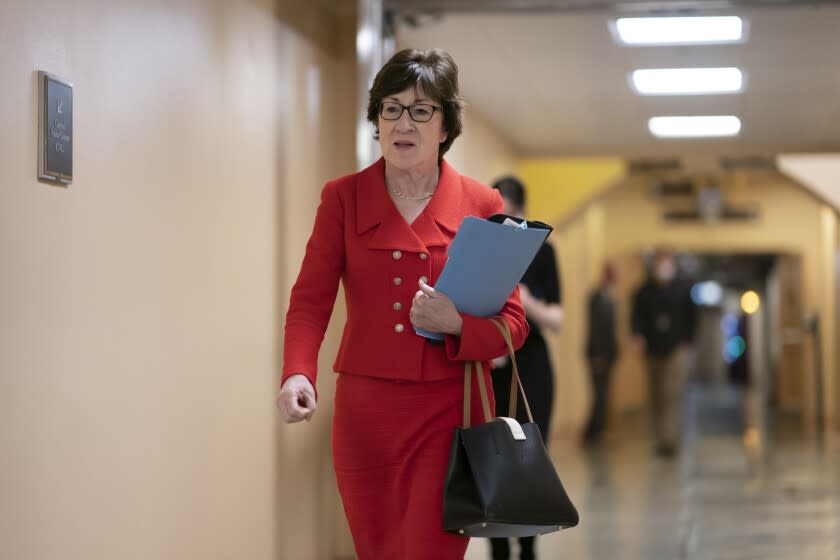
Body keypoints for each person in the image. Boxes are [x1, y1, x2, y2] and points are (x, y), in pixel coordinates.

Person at [275, 49, 529, 560]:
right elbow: (310, 300)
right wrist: (297, 372)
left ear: (445, 125)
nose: (402, 123)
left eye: (420, 110)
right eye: (389, 108)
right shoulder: (342, 198)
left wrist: (457, 323)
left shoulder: (483, 204)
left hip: (447, 417)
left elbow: (513, 324)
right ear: (376, 120)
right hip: (364, 418)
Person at [488, 176, 562, 560]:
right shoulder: (479, 248)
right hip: (489, 365)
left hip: (531, 364)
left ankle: (528, 547)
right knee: (493, 458)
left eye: (508, 213)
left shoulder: (543, 252)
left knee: (530, 457)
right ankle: (498, 548)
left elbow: (556, 319)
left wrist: (524, 299)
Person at [631, 249, 697, 458]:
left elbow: (693, 319)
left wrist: (687, 341)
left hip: (677, 349)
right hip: (653, 349)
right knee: (656, 395)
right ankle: (660, 437)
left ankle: (670, 438)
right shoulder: (643, 291)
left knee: (671, 392)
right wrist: (637, 335)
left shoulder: (683, 290)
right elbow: (635, 318)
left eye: (667, 262)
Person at [583, 262, 618, 445]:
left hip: (609, 354)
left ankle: (599, 430)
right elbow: (595, 328)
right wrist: (597, 354)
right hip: (598, 355)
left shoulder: (610, 297)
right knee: (599, 395)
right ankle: (591, 433)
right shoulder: (597, 297)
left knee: (604, 395)